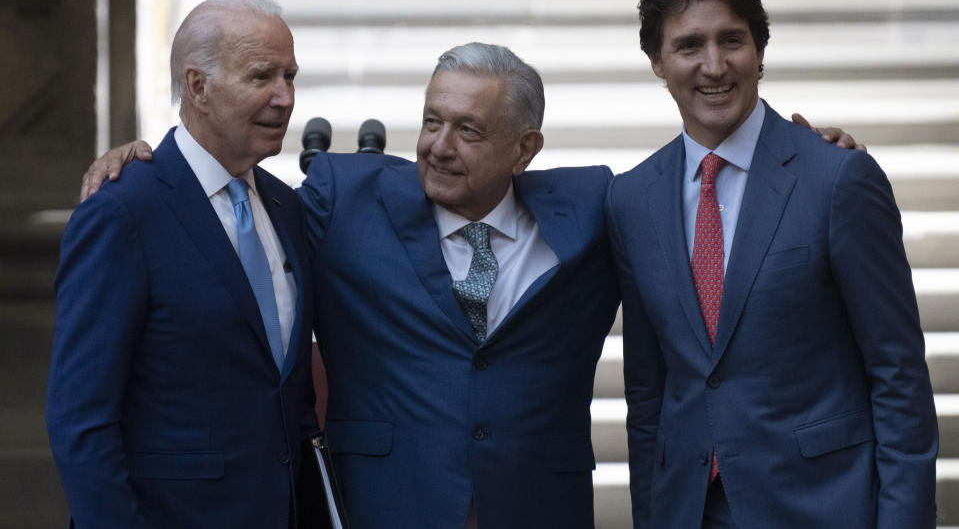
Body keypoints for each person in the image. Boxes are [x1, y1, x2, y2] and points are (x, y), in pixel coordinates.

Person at [81, 39, 858, 528]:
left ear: (525, 148)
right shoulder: (343, 198)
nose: (436, 147)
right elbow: (228, 197)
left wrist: (805, 160)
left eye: (467, 130)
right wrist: (146, 162)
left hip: (537, 503)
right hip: (387, 503)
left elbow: (703, 206)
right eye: (430, 121)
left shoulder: (599, 210)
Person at [605, 0, 938, 528]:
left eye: (731, 40)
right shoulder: (631, 199)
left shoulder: (838, 178)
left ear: (760, 50)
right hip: (689, 508)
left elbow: (899, 376)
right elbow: (649, 392)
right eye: (688, 46)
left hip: (821, 502)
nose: (714, 65)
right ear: (658, 62)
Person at [46, 0, 322, 528]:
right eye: (262, 76)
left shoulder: (288, 208)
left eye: (290, 76)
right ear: (198, 86)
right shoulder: (123, 211)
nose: (285, 97)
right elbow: (80, 420)